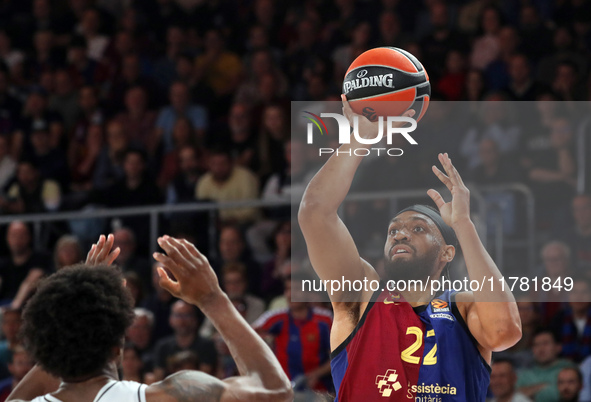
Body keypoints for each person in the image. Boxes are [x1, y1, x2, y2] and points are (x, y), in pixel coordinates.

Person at [298, 97, 521, 400]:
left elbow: (505, 333)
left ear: (447, 253)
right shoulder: (362, 295)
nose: (401, 235)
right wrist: (360, 138)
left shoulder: (464, 305)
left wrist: (464, 227)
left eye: (418, 229)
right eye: (394, 231)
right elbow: (315, 212)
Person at [6, 234, 293, 401]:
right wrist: (213, 299)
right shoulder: (164, 396)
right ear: (118, 348)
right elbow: (274, 391)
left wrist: (76, 298)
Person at [516, 329, 574, 402]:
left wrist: (530, 391)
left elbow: (568, 395)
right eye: (536, 344)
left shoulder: (569, 368)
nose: (541, 349)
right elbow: (513, 396)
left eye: (545, 343)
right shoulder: (525, 375)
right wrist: (544, 386)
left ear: (558, 347)